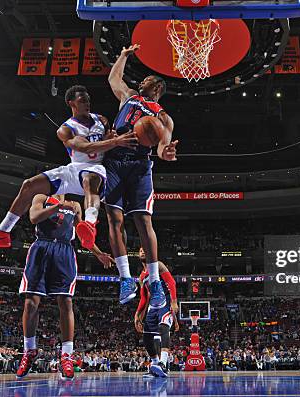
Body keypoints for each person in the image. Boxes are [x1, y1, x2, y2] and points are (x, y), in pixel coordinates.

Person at [0, 85, 137, 249]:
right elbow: (86, 147)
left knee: (89, 180)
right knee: (29, 185)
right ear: (72, 103)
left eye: (88, 100)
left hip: (95, 168)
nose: (87, 103)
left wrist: (111, 138)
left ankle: (90, 224)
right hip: (74, 168)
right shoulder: (66, 129)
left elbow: (106, 142)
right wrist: (115, 141)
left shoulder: (101, 120)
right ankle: (3, 233)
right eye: (83, 100)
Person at [105, 44, 179, 306]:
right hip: (114, 159)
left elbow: (162, 145)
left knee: (143, 221)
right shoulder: (130, 97)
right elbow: (114, 78)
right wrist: (122, 55)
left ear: (156, 88)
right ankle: (125, 278)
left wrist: (165, 153)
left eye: (147, 80)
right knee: (114, 219)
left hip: (138, 164)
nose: (142, 81)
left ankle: (155, 281)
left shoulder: (163, 118)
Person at [15, 194, 114, 380]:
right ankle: (29, 351)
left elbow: (83, 233)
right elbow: (34, 217)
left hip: (64, 250)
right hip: (41, 248)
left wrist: (98, 254)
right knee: (30, 303)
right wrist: (57, 207)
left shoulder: (75, 205)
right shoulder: (41, 197)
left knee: (66, 303)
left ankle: (66, 355)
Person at [128, 247, 178, 378]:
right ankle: (155, 365)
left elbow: (171, 282)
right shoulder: (141, 276)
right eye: (140, 250)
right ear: (138, 255)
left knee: (163, 327)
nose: (143, 251)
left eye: (145, 249)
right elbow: (144, 298)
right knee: (146, 337)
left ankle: (163, 363)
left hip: (165, 302)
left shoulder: (158, 265)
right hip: (152, 307)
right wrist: (137, 315)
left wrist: (173, 301)